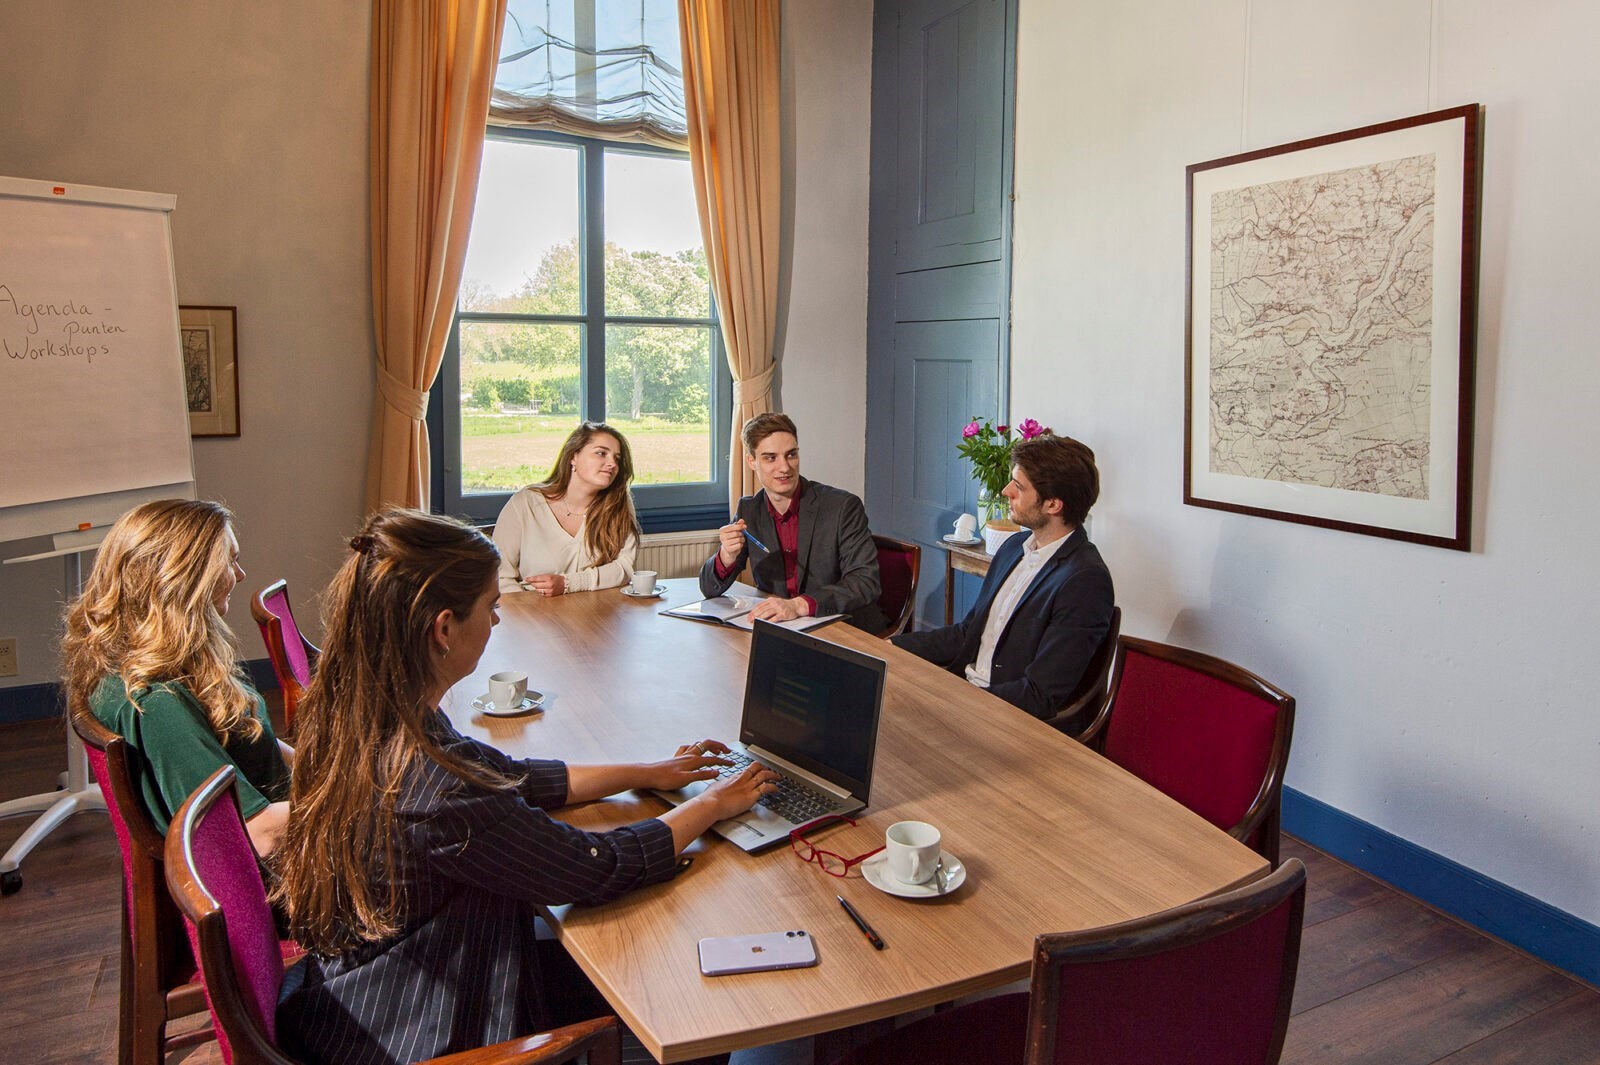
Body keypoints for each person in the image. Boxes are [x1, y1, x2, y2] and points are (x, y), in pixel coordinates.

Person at [272, 510, 777, 1065]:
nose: (496, 621)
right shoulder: (437, 790)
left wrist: (648, 773)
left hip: (362, 988)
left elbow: (514, 775)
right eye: (491, 608)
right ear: (443, 628)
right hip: (420, 1026)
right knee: (694, 1014)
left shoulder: (365, 716)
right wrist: (712, 804)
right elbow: (597, 866)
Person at [62, 498, 292, 854]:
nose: (241, 574)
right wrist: (353, 804)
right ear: (185, 577)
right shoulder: (156, 704)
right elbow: (259, 833)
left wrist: (330, 767)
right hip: (277, 868)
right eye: (230, 561)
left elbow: (240, 742)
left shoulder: (145, 661)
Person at [893, 434, 1114, 729]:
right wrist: (888, 647)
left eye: (1019, 486)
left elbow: (1039, 694)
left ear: (1053, 504)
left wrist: (956, 703)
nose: (1006, 490)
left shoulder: (1085, 580)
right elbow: (966, 634)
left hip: (1008, 721)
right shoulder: (1013, 547)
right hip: (969, 695)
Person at [699, 413, 886, 632]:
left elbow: (865, 582)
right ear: (752, 461)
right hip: (784, 629)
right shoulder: (749, 510)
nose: (785, 467)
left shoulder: (842, 507)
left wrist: (798, 605)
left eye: (791, 455)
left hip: (844, 626)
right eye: (770, 458)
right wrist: (726, 556)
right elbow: (709, 589)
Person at [492, 421, 640, 595]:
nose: (612, 464)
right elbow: (500, 576)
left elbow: (625, 568)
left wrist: (569, 583)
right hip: (533, 615)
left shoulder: (619, 503)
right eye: (601, 453)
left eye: (617, 458)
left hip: (597, 615)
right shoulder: (525, 503)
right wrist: (527, 612)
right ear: (573, 456)